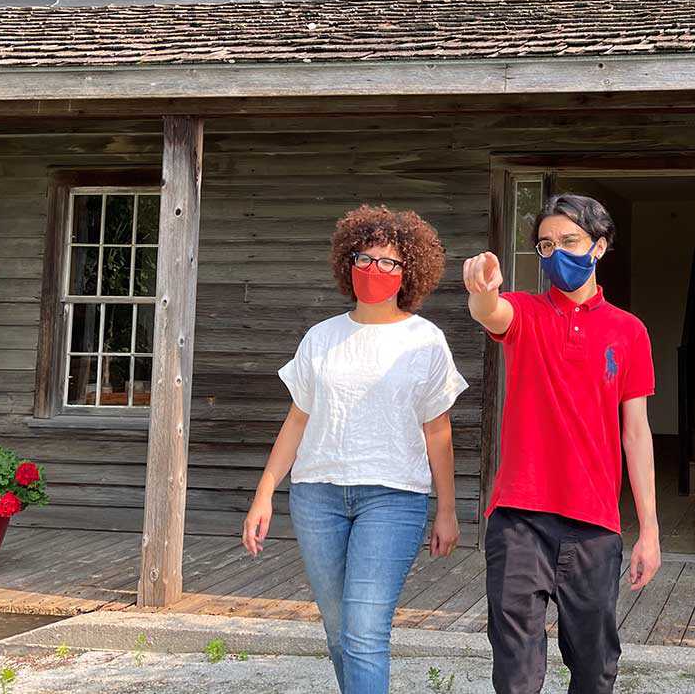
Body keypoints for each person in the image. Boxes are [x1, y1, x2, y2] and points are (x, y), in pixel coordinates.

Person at [242, 204, 468, 694]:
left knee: (364, 632)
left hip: (393, 498)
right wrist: (264, 493)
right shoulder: (321, 337)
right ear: (348, 262)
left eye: (389, 262)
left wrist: (447, 509)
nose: (375, 270)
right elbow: (297, 418)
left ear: (409, 271)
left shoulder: (425, 340)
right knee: (339, 630)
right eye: (365, 258)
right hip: (316, 496)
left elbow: (438, 431)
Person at [463, 193, 660, 694]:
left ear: (598, 246)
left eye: (569, 241)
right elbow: (490, 311)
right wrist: (482, 289)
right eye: (545, 246)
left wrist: (650, 530)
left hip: (594, 523)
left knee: (594, 666)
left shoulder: (629, 331)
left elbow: (636, 434)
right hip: (519, 517)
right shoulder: (526, 313)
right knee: (515, 668)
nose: (556, 254)